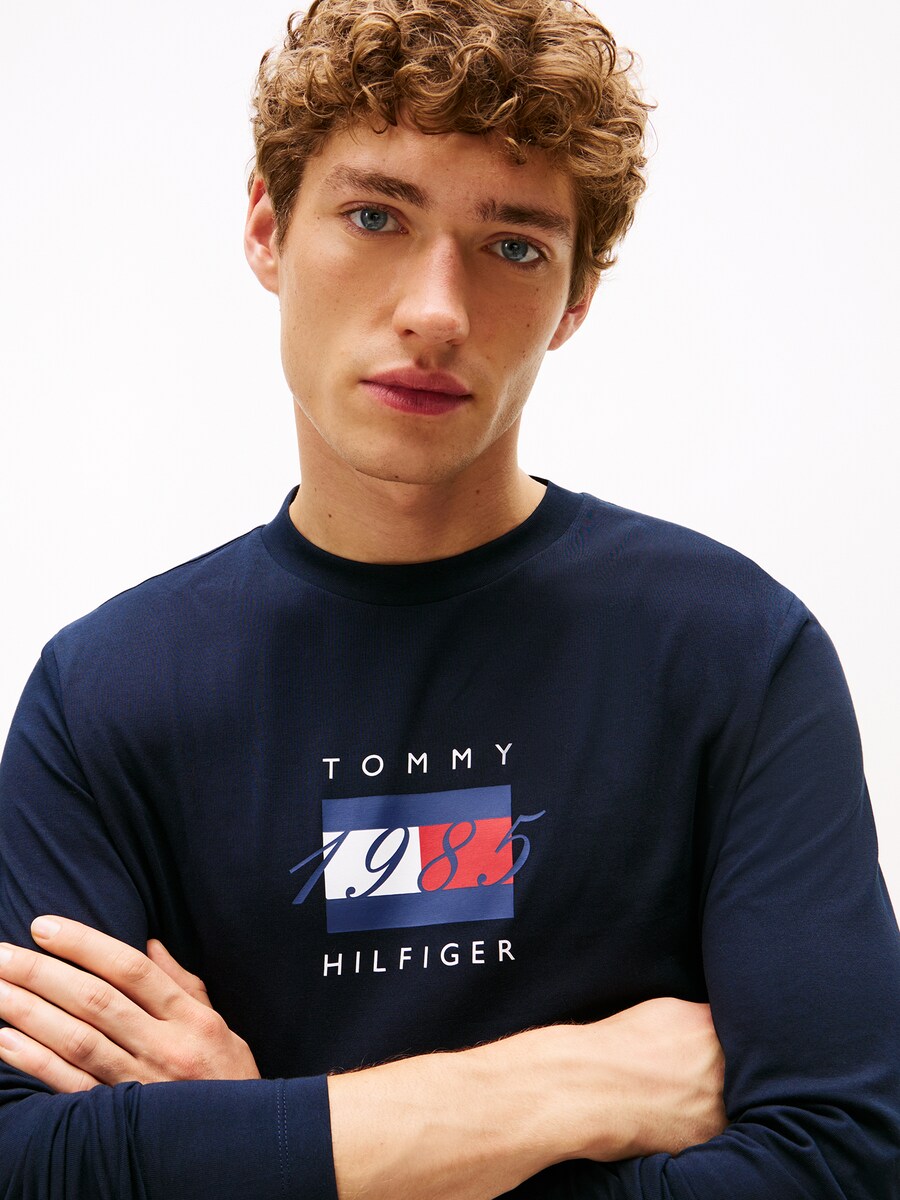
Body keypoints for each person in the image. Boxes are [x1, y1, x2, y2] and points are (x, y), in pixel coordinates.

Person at [0, 0, 898, 1196]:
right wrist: (559, 1087)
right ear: (267, 229)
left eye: (513, 245)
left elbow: (841, 1162)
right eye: (376, 216)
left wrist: (257, 1140)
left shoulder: (732, 653)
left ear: (575, 298)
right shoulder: (106, 693)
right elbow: (24, 1165)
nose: (436, 308)